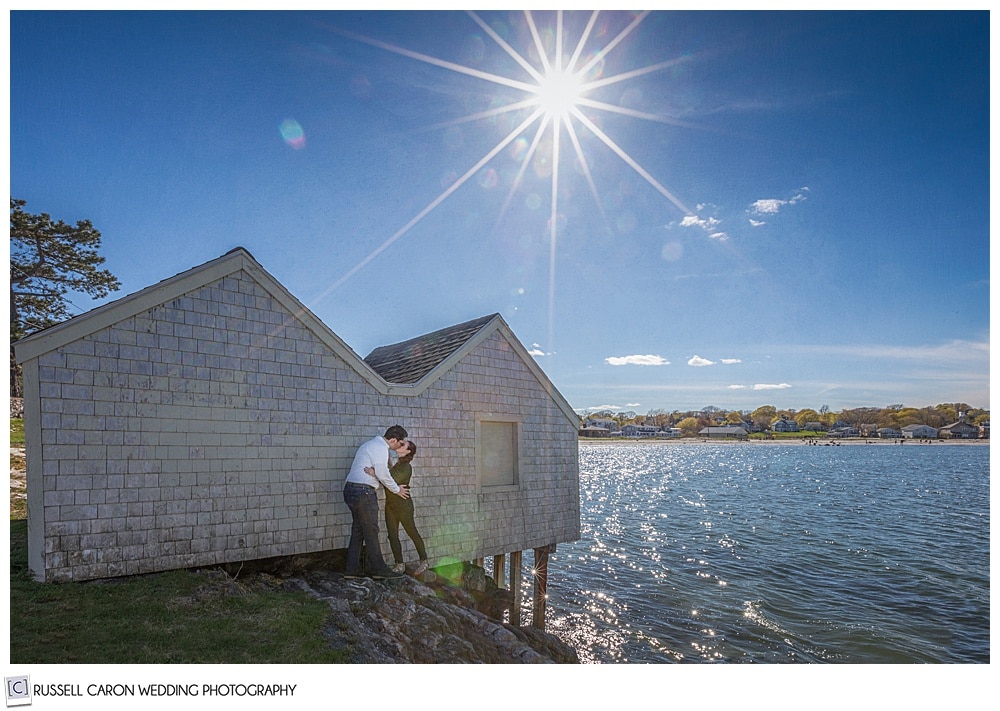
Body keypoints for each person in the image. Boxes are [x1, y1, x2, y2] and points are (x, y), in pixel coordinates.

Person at [342, 425, 410, 579]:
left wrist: (378, 475)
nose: (399, 447)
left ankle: (351, 570)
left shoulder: (371, 445)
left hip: (350, 490)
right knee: (371, 531)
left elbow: (380, 472)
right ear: (393, 440)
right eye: (400, 443)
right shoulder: (380, 447)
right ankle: (378, 569)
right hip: (363, 492)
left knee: (358, 530)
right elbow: (383, 474)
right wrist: (397, 490)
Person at [382, 441, 429, 576]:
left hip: (404, 506)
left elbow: (389, 480)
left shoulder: (406, 467)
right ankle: (399, 564)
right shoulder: (398, 464)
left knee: (412, 531)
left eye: (403, 445)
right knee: (392, 535)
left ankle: (424, 561)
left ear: (408, 451)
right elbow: (389, 478)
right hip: (390, 504)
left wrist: (376, 472)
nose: (399, 445)